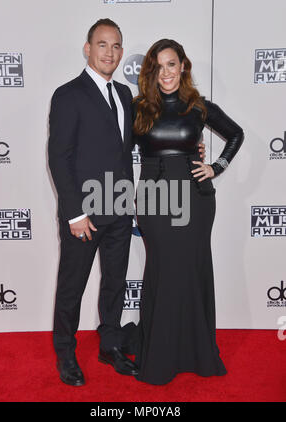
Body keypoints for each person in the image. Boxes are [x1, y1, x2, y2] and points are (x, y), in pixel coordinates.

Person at [132, 39, 244, 385]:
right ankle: (159, 354)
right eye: (158, 66)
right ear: (151, 72)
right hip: (153, 197)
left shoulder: (198, 107)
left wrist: (217, 166)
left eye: (171, 64)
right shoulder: (139, 107)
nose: (165, 73)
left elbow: (236, 134)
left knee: (190, 271)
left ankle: (196, 352)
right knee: (163, 270)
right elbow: (114, 145)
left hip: (195, 198)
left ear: (183, 66)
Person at [48, 19, 138, 386]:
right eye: (103, 45)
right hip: (83, 215)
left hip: (119, 209)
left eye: (116, 46)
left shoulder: (125, 95)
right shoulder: (68, 94)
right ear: (88, 49)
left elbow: (127, 149)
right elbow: (58, 157)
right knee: (73, 285)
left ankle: (110, 345)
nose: (110, 52)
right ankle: (65, 354)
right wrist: (74, 213)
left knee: (115, 283)